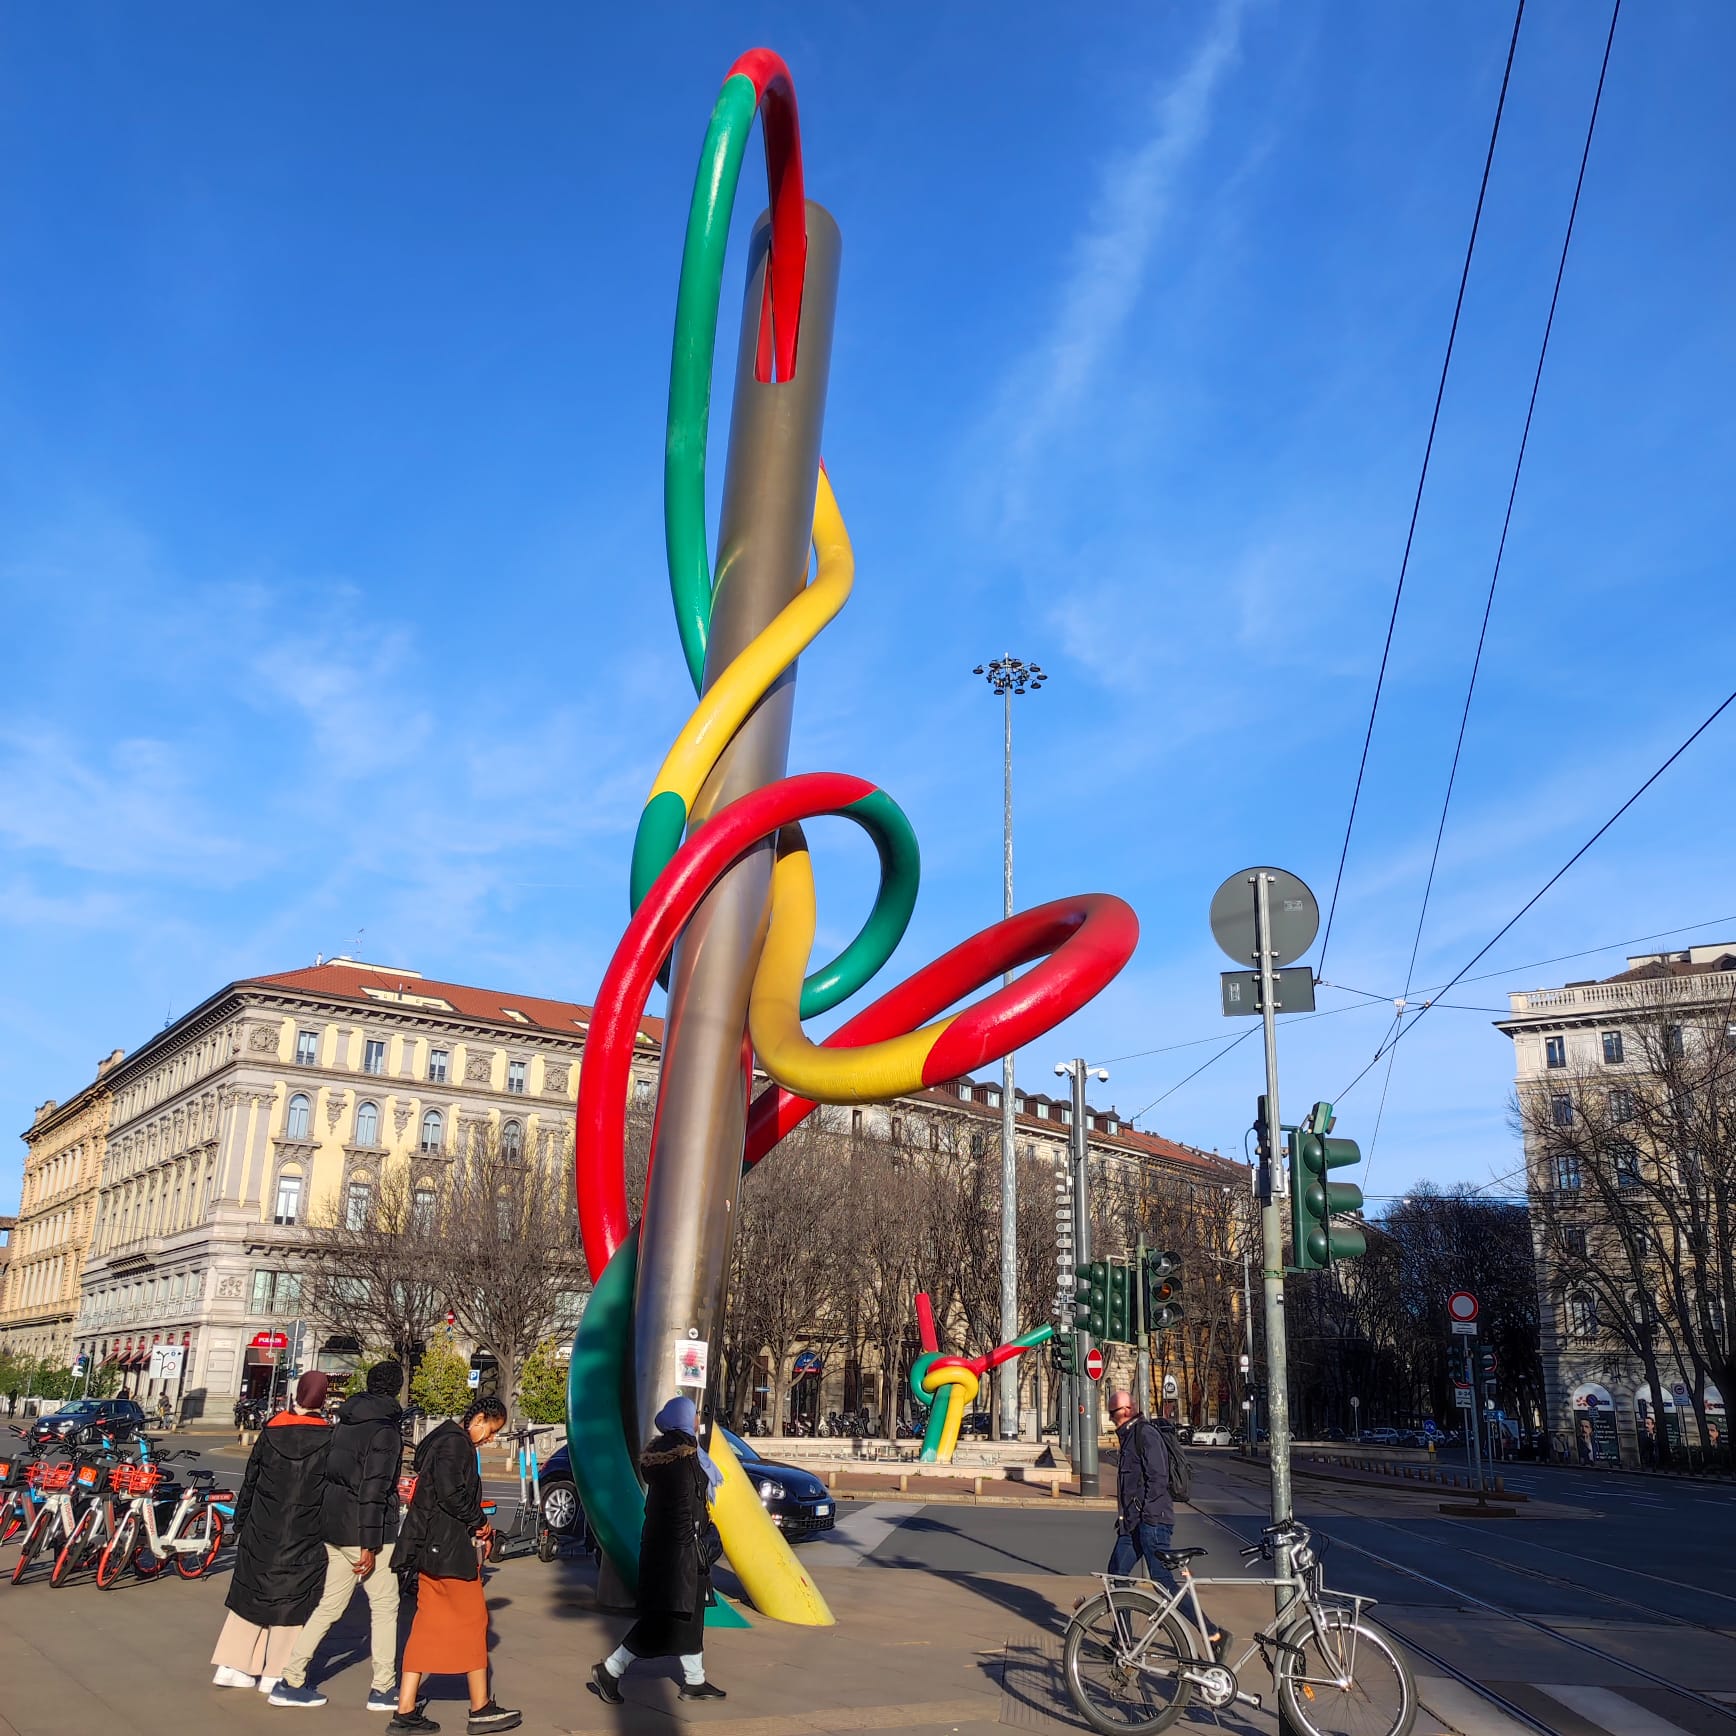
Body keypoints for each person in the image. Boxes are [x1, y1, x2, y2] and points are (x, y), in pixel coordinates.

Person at [271, 1361, 409, 1711]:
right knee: (385, 1606)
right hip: (367, 1530)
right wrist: (369, 1543)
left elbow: (332, 1474)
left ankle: (291, 1678)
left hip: (335, 1524)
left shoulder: (346, 1421)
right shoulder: (385, 1431)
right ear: (396, 1389)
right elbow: (375, 1489)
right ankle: (383, 1687)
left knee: (330, 1606)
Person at [388, 1395, 519, 1735]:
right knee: (475, 1621)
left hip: (429, 1547)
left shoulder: (443, 1441)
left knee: (426, 1624)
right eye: (492, 1430)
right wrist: (481, 1522)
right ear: (478, 1419)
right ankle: (480, 1707)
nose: (491, 1438)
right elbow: (451, 1493)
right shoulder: (456, 1444)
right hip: (447, 1549)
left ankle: (405, 1709)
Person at [589, 1395, 726, 1705]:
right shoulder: (684, 1459)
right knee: (664, 1622)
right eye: (693, 1414)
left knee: (689, 1618)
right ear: (683, 1419)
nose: (698, 1420)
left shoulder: (668, 1454)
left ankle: (695, 1680)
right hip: (678, 1554)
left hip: (667, 1550)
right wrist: (693, 1548)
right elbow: (682, 1509)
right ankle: (610, 1670)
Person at [211, 1371, 333, 1695]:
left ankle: (232, 1665)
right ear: (323, 1400)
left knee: (251, 1594)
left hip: (262, 1524)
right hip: (306, 1530)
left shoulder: (271, 1430)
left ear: (297, 1394)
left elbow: (251, 1480)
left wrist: (240, 1521)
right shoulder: (329, 1438)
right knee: (291, 1601)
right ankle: (276, 1673)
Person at [1103, 1391, 1225, 1656]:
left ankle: (1213, 1634)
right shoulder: (1128, 1437)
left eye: (1113, 1413)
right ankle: (1123, 1640)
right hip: (1133, 1524)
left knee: (1162, 1582)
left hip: (1152, 1522)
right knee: (1116, 1574)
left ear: (1126, 1411)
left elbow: (1157, 1479)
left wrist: (1145, 1513)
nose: (1111, 1419)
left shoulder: (1145, 1434)